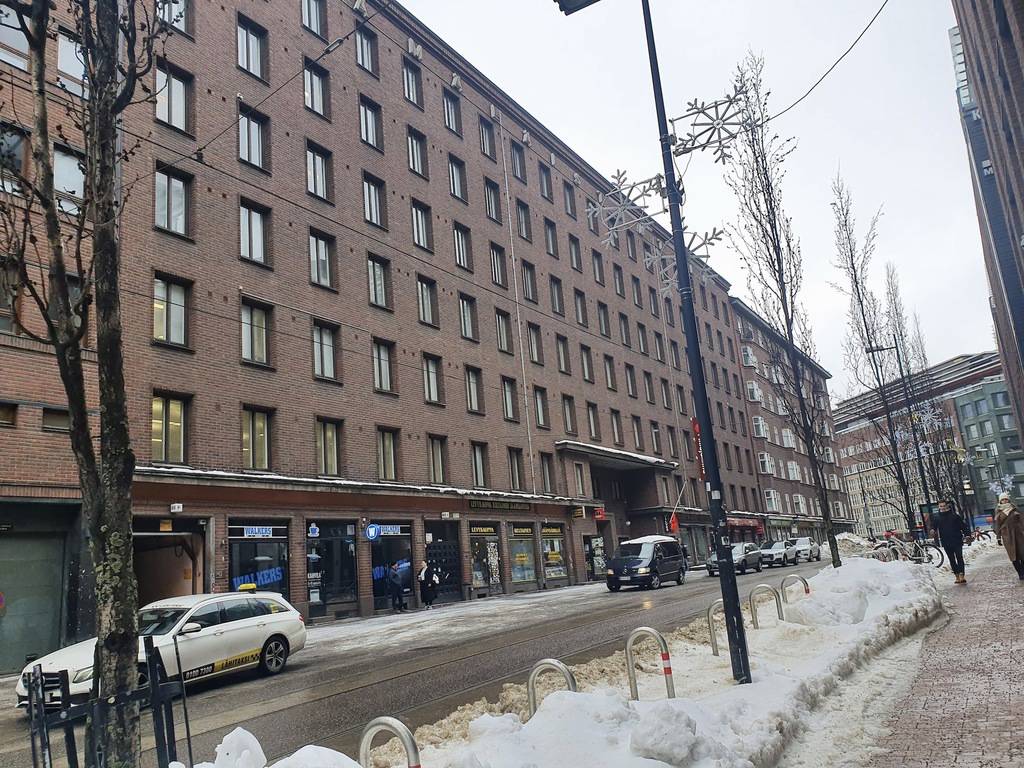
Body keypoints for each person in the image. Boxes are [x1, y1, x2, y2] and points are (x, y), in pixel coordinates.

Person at [935, 500, 971, 584]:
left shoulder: (955, 516)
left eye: (944, 506)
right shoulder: (937, 518)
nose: (942, 508)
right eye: (941, 506)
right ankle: (957, 575)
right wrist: (932, 530)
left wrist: (967, 534)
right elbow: (934, 527)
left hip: (957, 540)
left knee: (959, 557)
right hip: (946, 541)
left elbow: (963, 526)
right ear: (938, 507)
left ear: (947, 506)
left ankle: (962, 575)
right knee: (951, 559)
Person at [994, 493, 1024, 580]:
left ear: (1008, 500)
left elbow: (1022, 520)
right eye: (1003, 499)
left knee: (1022, 553)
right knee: (1013, 556)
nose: (1005, 501)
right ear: (1000, 501)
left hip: (1019, 534)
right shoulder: (998, 511)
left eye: (1006, 499)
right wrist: (998, 537)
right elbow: (997, 525)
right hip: (1007, 536)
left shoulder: (1015, 509)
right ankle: (1020, 573)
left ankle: (1023, 571)